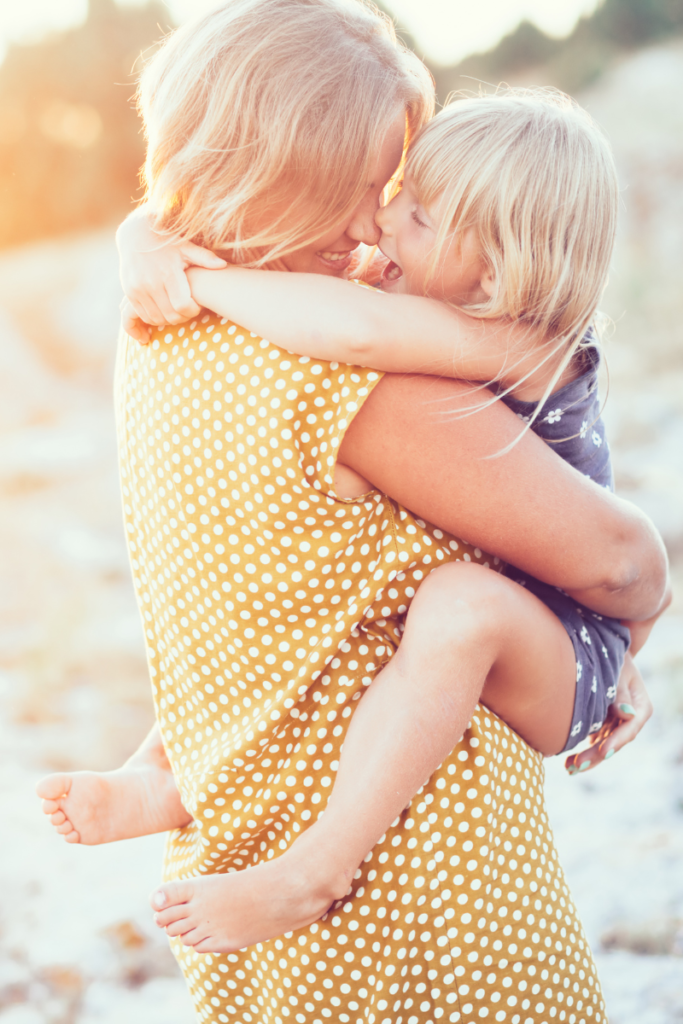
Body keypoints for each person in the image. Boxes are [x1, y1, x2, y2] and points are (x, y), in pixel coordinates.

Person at [36, 3, 667, 1021]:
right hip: (426, 911)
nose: (373, 221)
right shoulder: (332, 368)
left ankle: (170, 781)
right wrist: (622, 615)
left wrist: (151, 242)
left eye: (398, 195)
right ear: (295, 170)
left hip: (260, 897)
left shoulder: (162, 328)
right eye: (372, 184)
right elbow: (620, 562)